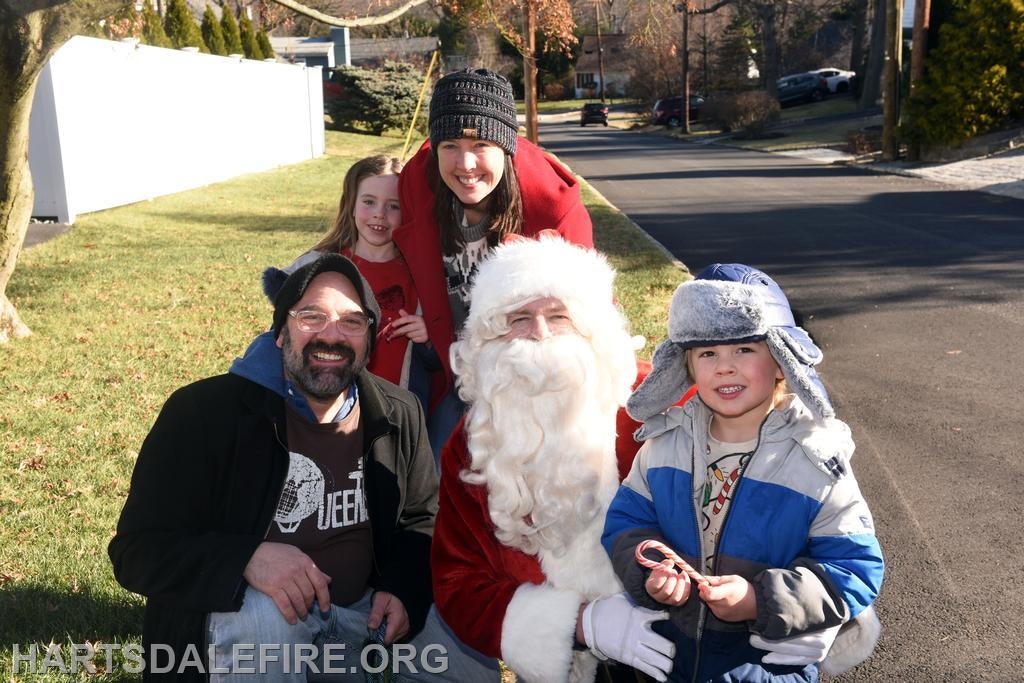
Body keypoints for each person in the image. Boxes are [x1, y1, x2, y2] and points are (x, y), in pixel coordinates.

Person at [108, 253, 497, 681]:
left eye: (351, 321)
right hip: (253, 626)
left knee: (461, 644)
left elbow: (422, 517)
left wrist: (403, 588)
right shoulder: (204, 414)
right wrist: (247, 559)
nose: (331, 336)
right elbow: (137, 551)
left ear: (369, 340)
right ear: (280, 332)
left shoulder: (397, 412)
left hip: (360, 618)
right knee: (265, 621)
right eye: (311, 316)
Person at [602, 263, 885, 682]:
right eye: (708, 353)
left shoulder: (813, 461)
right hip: (663, 659)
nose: (724, 367)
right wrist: (651, 573)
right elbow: (627, 522)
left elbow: (854, 565)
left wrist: (760, 599)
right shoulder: (665, 445)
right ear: (687, 365)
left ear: (781, 359)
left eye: (744, 350)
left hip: (761, 666)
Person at [431, 236, 677, 683]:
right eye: (519, 319)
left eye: (558, 316)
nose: (540, 335)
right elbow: (458, 582)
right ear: (488, 338)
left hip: (679, 645)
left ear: (592, 328)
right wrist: (579, 624)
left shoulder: (654, 401)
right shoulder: (473, 444)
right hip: (565, 665)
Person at [396, 67, 594, 455]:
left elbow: (589, 323)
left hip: (534, 379)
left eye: (480, 145)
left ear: (506, 146)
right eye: (449, 145)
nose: (465, 164)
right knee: (435, 469)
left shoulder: (553, 210)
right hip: (455, 371)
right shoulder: (420, 192)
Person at [309, 154, 435, 414]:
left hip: (397, 412)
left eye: (394, 206)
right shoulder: (323, 268)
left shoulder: (423, 273)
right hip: (333, 408)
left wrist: (430, 333)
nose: (379, 214)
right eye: (369, 202)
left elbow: (446, 348)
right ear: (351, 205)